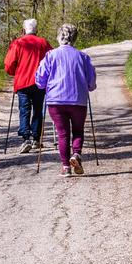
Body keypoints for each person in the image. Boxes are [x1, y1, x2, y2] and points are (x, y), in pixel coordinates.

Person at [34, 23, 96, 176]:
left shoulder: (50, 55)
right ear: (74, 38)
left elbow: (40, 80)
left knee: (62, 134)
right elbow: (91, 83)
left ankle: (65, 167)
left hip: (56, 101)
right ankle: (76, 155)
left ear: (59, 37)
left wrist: (43, 85)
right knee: (78, 131)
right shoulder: (83, 57)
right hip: (78, 100)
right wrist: (88, 86)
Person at [4, 18, 52, 153]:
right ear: (36, 30)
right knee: (38, 110)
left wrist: (14, 72)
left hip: (23, 82)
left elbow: (9, 64)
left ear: (24, 29)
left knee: (24, 110)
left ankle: (26, 139)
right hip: (39, 83)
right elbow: (52, 60)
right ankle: (36, 139)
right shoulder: (43, 43)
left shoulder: (18, 43)